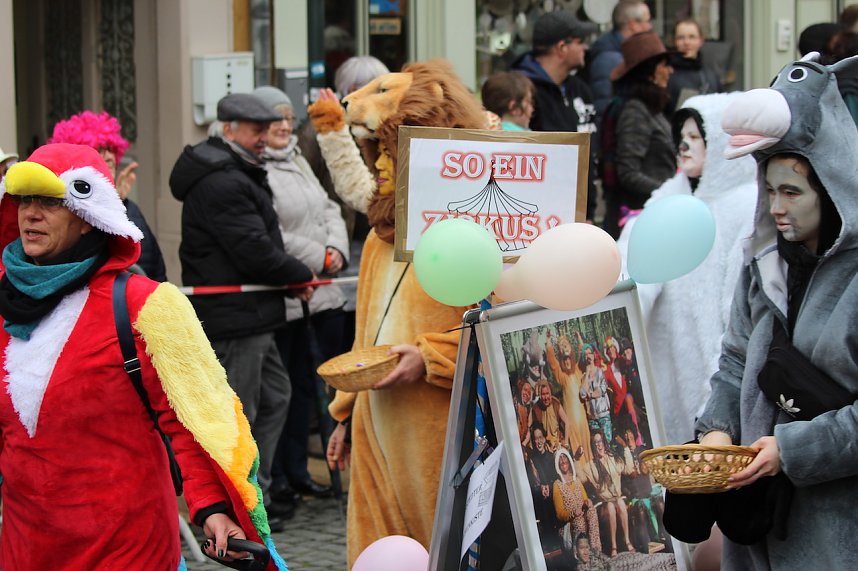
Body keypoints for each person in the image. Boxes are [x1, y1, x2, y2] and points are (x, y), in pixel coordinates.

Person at [0, 143, 287, 570]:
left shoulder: (145, 305)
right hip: (27, 544)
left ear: (87, 217)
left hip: (125, 545)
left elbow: (195, 422)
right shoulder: (6, 301)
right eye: (25, 200)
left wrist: (211, 506)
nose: (32, 213)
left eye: (51, 201)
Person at [693, 53, 858, 568]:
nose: (777, 207)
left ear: (831, 192)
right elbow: (736, 360)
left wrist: (792, 450)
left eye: (792, 191)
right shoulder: (762, 266)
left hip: (837, 528)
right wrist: (716, 432)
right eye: (769, 191)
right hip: (755, 520)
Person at [169, 93, 315, 528]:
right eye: (255, 131)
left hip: (253, 313)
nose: (263, 139)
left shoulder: (232, 170)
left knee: (276, 397)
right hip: (236, 317)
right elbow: (253, 249)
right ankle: (239, 506)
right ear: (229, 129)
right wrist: (299, 274)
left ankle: (256, 493)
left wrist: (291, 276)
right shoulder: (222, 179)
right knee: (241, 415)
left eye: (266, 130)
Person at [617, 93, 758, 445]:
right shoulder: (665, 199)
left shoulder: (746, 206)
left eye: (697, 137)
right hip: (666, 361)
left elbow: (739, 300)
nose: (684, 144)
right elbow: (630, 276)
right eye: (682, 136)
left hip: (718, 358)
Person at [252, 85, 349, 503]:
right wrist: (318, 256)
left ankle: (299, 472)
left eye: (288, 118)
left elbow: (328, 207)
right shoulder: (257, 166)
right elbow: (272, 231)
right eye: (275, 120)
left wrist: (337, 251)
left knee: (307, 390)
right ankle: (281, 480)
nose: (284, 126)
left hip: (319, 290)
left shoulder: (295, 157)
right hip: (287, 292)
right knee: (283, 390)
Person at [49, 110, 167, 281]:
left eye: (110, 163)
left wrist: (118, 205)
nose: (105, 171)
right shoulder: (61, 217)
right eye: (97, 163)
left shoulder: (130, 209)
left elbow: (154, 269)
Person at [512, 10, 599, 221]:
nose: (585, 48)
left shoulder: (580, 89)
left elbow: (590, 153)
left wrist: (588, 211)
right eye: (580, 42)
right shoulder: (521, 91)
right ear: (562, 47)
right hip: (539, 217)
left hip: (582, 215)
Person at [601, 31, 676, 238]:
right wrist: (670, 192)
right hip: (641, 219)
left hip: (654, 214)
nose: (670, 71)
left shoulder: (650, 107)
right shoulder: (635, 110)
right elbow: (628, 173)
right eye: (664, 64)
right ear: (649, 71)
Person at [588, 0, 653, 120]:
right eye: (647, 21)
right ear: (633, 25)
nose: (650, 27)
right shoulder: (609, 59)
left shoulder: (624, 53)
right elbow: (605, 110)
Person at [580, 429, 635, 558]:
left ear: (604, 443)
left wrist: (626, 448)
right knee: (611, 506)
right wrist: (577, 459)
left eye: (600, 441)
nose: (599, 445)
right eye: (595, 443)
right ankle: (613, 546)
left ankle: (627, 541)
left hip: (618, 498)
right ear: (593, 446)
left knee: (620, 503)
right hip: (603, 503)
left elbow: (628, 469)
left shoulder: (613, 458)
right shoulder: (591, 465)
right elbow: (581, 478)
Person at [545, 329, 591, 462]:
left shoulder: (577, 370)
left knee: (586, 440)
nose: (564, 347)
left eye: (566, 344)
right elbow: (553, 363)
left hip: (583, 417)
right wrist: (548, 341)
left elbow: (583, 356)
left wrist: (579, 339)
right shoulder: (562, 376)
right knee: (577, 448)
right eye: (561, 346)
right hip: (572, 420)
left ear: (571, 348)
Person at [667, 18, 721, 115]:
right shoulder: (666, 74)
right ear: (674, 41)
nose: (686, 42)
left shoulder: (711, 75)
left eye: (692, 37)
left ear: (701, 40)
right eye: (681, 38)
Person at [553, 447, 601, 555]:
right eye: (560, 459)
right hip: (569, 523)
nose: (563, 461)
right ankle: (581, 555)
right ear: (557, 464)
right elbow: (560, 514)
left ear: (569, 461)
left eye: (565, 458)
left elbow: (584, 498)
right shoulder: (557, 485)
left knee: (592, 512)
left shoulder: (577, 480)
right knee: (579, 521)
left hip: (582, 515)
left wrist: (587, 502)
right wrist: (573, 513)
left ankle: (595, 551)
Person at [580, 343, 612, 442]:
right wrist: (587, 374)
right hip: (592, 418)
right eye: (585, 355)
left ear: (594, 355)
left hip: (603, 415)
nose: (588, 356)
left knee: (608, 442)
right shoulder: (583, 376)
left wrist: (590, 394)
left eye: (589, 353)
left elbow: (602, 389)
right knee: (597, 444)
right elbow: (582, 394)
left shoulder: (600, 372)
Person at [532, 379, 571, 453]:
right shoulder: (536, 409)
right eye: (543, 394)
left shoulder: (555, 403)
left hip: (559, 441)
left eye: (547, 393)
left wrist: (566, 443)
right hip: (546, 446)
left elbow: (567, 422)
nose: (546, 397)